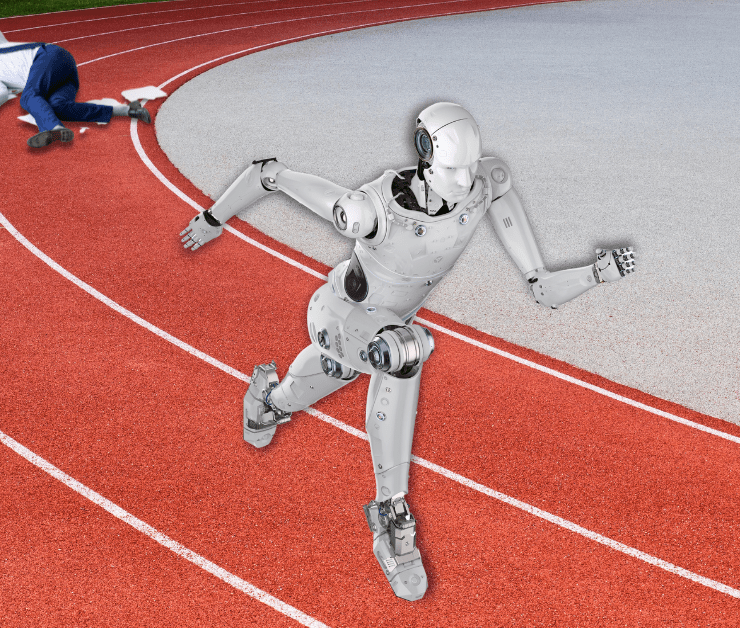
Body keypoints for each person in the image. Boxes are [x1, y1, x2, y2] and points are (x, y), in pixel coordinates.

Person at [179, 103, 636, 601]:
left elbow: (534, 272)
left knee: (340, 371)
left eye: (469, 166)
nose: (464, 180)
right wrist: (211, 219)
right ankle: (391, 518)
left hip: (380, 327)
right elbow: (270, 176)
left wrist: (580, 274)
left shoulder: (484, 184)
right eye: (452, 168)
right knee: (404, 351)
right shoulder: (370, 209)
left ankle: (269, 403)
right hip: (340, 313)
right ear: (424, 156)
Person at [0, 15, 152, 148]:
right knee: (58, 107)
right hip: (64, 73)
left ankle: (54, 130)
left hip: (49, 56)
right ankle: (127, 110)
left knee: (28, 98)